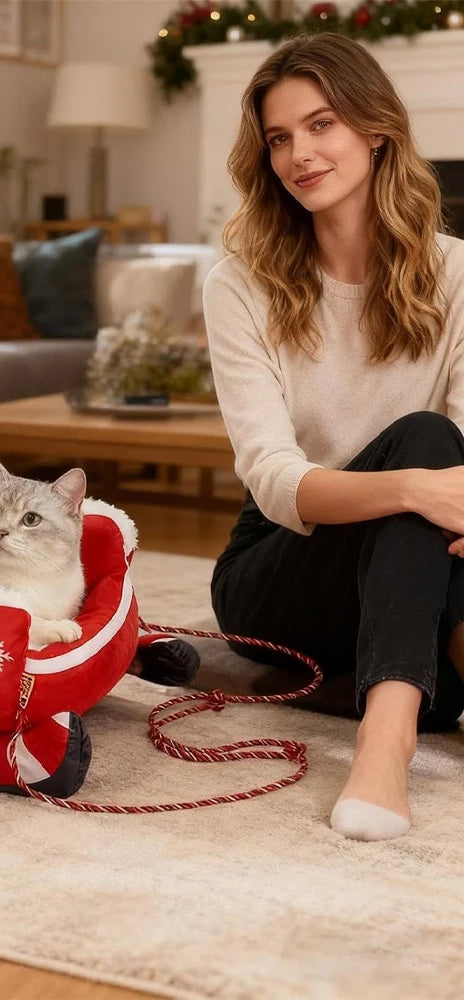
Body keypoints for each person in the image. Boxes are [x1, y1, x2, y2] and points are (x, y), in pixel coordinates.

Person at [202, 32, 464, 842]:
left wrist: (429, 493)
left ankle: (429, 675)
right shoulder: (239, 282)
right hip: (278, 570)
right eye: (279, 138)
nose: (298, 154)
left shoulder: (457, 274)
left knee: (433, 465)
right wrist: (415, 487)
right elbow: (276, 478)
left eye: (321, 125)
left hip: (422, 544)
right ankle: (386, 744)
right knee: (422, 442)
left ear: (374, 128)